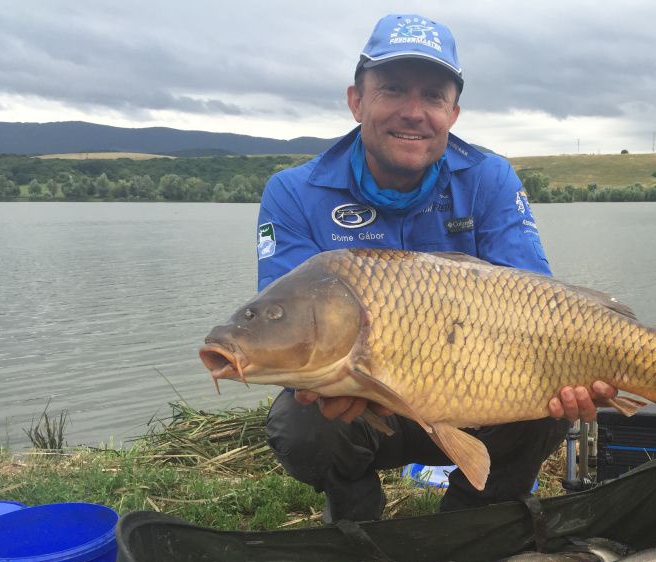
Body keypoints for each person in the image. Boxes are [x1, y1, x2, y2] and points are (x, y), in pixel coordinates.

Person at [257, 13, 615, 522]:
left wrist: (588, 366)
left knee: (549, 400)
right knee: (302, 423)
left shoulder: (489, 178)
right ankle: (357, 523)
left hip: (476, 393)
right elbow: (283, 325)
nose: (413, 112)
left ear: (454, 111)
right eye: (393, 90)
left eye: (432, 96)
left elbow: (539, 305)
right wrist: (312, 383)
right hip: (364, 405)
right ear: (357, 100)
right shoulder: (294, 192)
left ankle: (468, 523)